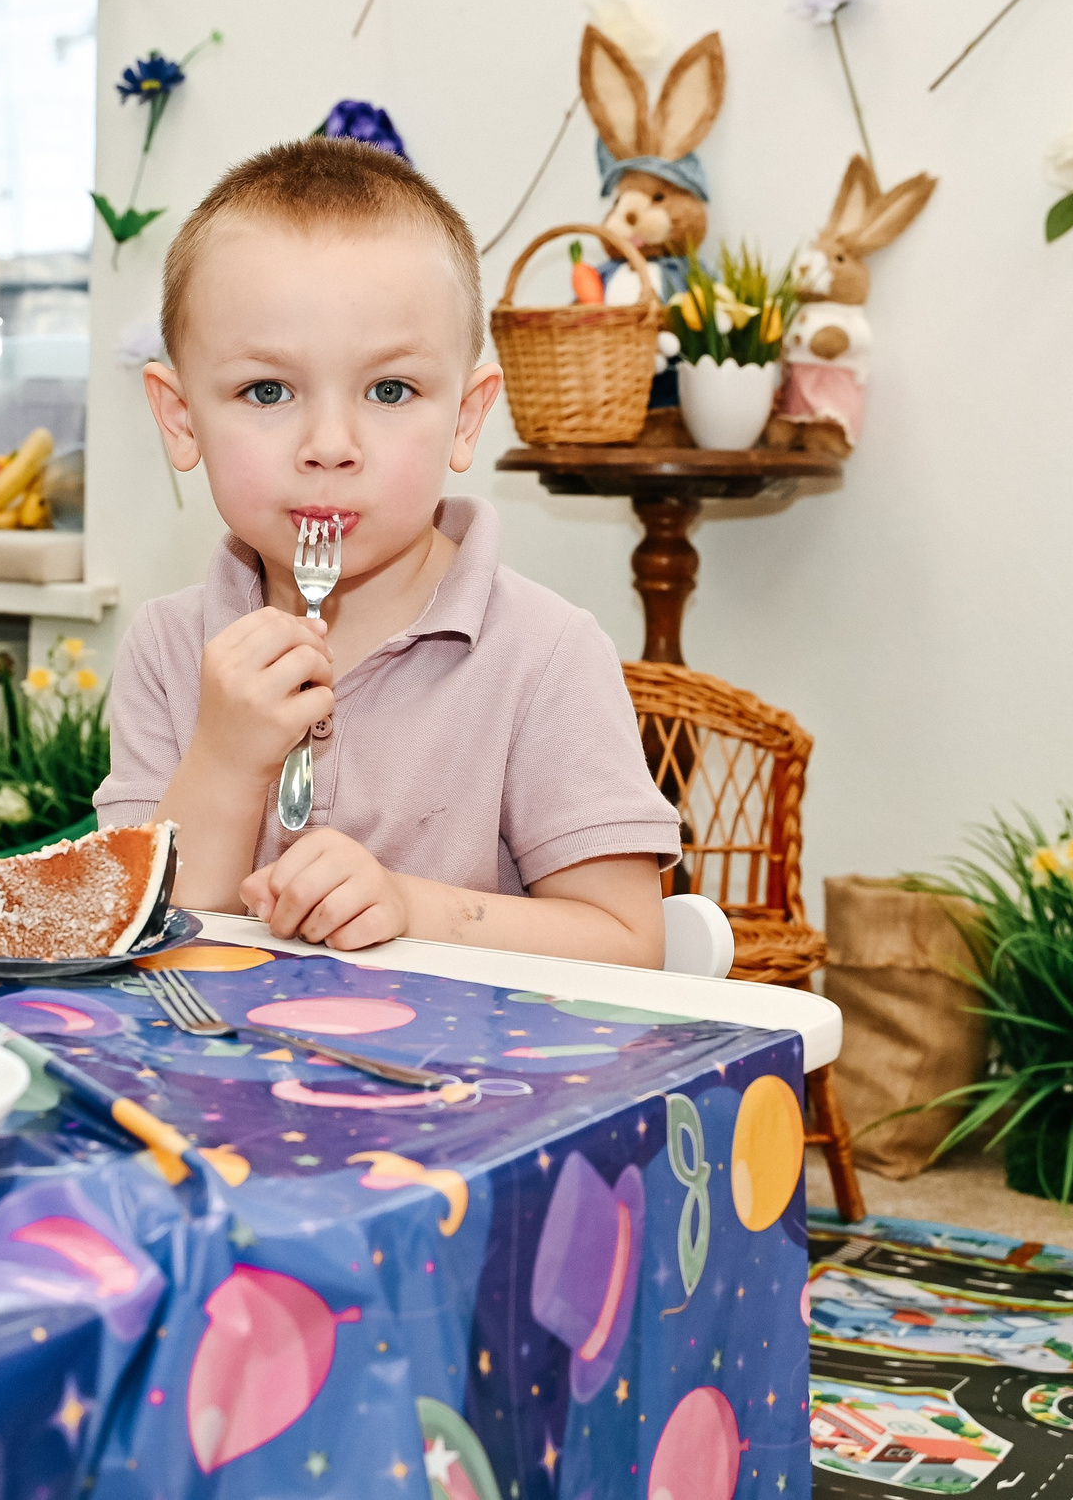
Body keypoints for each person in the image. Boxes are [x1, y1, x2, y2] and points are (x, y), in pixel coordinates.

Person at [95, 138, 683, 968]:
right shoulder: (167, 649)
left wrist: (411, 906)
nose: (331, 444)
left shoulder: (546, 655)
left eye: (389, 390)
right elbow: (140, 946)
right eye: (268, 390)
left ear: (466, 418)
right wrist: (223, 760)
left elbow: (629, 943)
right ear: (181, 418)